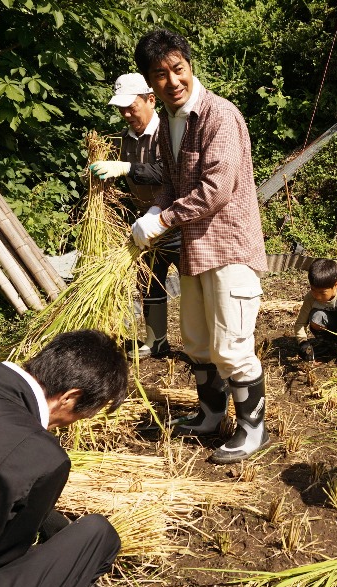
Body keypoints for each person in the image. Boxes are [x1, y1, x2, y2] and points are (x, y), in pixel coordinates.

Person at [130, 29, 269, 464]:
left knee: (232, 347)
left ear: (189, 67)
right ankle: (211, 415)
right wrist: (153, 213)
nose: (172, 80)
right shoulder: (168, 124)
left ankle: (253, 430)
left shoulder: (217, 116)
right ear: (149, 84)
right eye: (160, 74)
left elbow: (217, 188)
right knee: (197, 342)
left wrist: (165, 218)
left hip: (228, 247)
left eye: (178, 69)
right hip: (193, 249)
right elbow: (170, 186)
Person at [0, 330, 129, 587]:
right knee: (98, 535)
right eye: (81, 414)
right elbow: (6, 555)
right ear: (69, 397)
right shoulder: (42, 456)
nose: (73, 423)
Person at [89, 72, 181, 359]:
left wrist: (127, 168)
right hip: (146, 227)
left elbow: (169, 172)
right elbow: (123, 181)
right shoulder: (124, 140)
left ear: (150, 100)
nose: (127, 114)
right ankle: (157, 342)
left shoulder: (167, 132)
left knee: (193, 282)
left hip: (176, 222)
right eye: (121, 109)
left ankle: (201, 344)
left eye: (132, 106)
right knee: (150, 281)